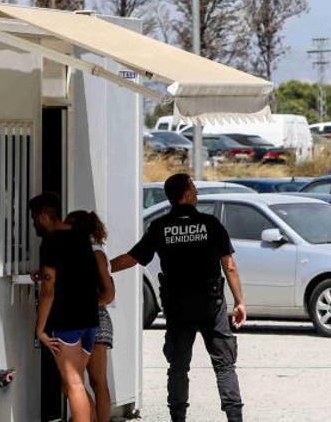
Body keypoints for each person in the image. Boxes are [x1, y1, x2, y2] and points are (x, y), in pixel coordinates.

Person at [111, 174, 246, 422]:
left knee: (178, 367)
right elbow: (230, 266)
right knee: (224, 365)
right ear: (186, 193)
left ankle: (178, 418)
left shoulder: (160, 227)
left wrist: (101, 268)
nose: (196, 192)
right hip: (211, 304)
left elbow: (133, 258)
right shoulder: (210, 224)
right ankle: (234, 417)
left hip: (178, 307)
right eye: (194, 188)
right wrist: (239, 302)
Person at [30, 193, 100, 422]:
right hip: (90, 319)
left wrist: (40, 329)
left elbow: (49, 291)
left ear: (42, 215)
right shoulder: (80, 236)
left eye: (34, 219)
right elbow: (75, 272)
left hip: (67, 320)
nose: (34, 225)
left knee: (73, 385)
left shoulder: (50, 241)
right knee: (77, 381)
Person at [65, 210, 116, 422]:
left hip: (94, 318)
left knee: (94, 381)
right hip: (79, 319)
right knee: (76, 380)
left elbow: (109, 293)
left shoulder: (94, 253)